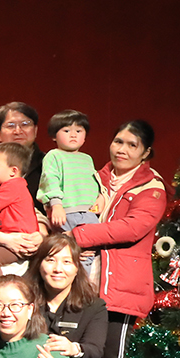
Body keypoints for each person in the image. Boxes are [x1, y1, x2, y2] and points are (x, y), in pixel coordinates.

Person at [70, 119, 165, 358]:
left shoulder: (152, 188)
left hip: (120, 288)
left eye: (131, 145)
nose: (122, 149)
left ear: (146, 152)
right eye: (118, 141)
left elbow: (132, 227)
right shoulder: (93, 177)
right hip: (82, 283)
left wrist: (78, 235)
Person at [23, 234, 108, 358]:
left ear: (77, 268)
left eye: (67, 262)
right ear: (39, 264)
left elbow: (95, 350)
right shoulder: (23, 301)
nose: (58, 269)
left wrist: (74, 349)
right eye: (50, 260)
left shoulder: (94, 306)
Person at [38, 110, 101, 274]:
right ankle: (71, 285)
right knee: (68, 252)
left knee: (89, 255)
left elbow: (94, 182)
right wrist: (56, 204)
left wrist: (101, 197)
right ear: (54, 136)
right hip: (67, 212)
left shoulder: (87, 158)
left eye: (78, 131)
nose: (73, 135)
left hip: (90, 214)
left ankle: (84, 286)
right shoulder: (54, 155)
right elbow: (50, 180)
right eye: (66, 130)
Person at [0, 141, 45, 272]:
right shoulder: (11, 186)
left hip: (22, 241)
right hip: (17, 238)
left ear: (13, 171)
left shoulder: (13, 186)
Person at [0, 102, 44, 204]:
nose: (18, 131)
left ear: (35, 130)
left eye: (25, 124)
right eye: (10, 126)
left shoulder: (48, 163)